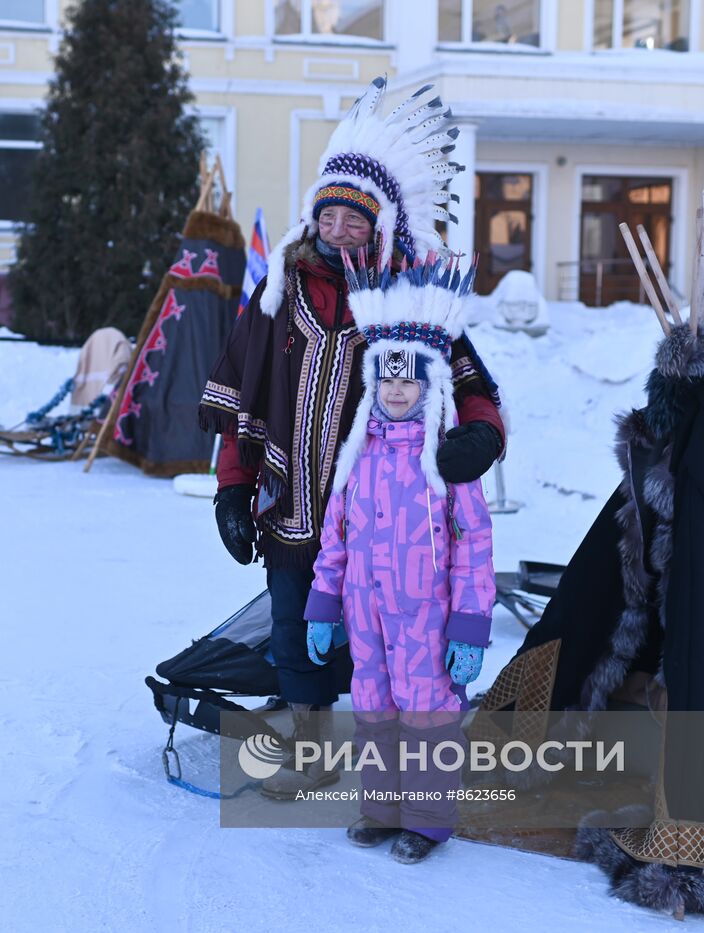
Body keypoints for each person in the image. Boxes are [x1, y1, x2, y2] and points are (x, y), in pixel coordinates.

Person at [199, 77, 504, 797]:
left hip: (389, 516)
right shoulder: (279, 294)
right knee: (291, 623)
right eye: (329, 216)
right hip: (291, 502)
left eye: (356, 221)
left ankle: (405, 764)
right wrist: (232, 491)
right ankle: (311, 740)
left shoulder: (411, 296)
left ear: (383, 225)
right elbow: (242, 396)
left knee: (391, 640)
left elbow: (471, 384)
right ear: (314, 215)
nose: (340, 232)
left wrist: (480, 439)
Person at [303, 255, 496, 864]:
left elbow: (475, 546)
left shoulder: (446, 463)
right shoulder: (356, 458)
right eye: (386, 382)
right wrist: (322, 604)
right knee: (373, 706)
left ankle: (428, 820)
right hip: (365, 614)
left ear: (430, 387)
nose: (395, 391)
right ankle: (381, 808)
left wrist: (469, 625)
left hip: (425, 618)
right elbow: (335, 538)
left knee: (426, 712)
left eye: (409, 382)